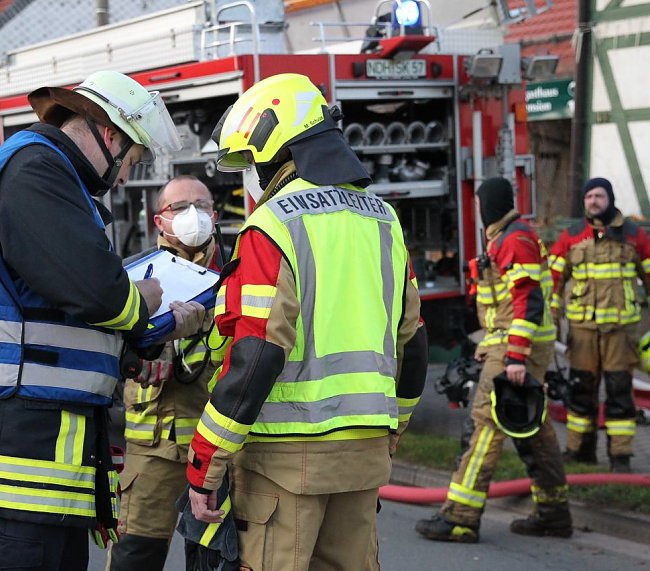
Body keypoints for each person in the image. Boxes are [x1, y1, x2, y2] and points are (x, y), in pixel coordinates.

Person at [0, 70, 199, 571]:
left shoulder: (43, 173)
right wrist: (148, 296)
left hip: (38, 457)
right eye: (132, 159)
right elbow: (99, 294)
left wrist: (143, 343)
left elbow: (59, 316)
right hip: (18, 458)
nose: (126, 175)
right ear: (109, 135)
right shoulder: (34, 172)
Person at [185, 73, 428, 571]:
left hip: (285, 463)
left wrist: (205, 458)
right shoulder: (384, 220)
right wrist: (393, 430)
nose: (250, 176)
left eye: (250, 160)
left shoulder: (272, 226)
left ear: (276, 148)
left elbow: (256, 355)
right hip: (364, 456)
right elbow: (414, 344)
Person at [416, 176, 572, 543]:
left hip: (515, 351)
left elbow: (527, 302)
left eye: (478, 203)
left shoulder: (514, 240)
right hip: (514, 346)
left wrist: (515, 357)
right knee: (535, 428)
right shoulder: (509, 237)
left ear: (489, 204)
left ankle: (460, 518)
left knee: (486, 425)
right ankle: (553, 513)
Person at [109, 175, 228, 570]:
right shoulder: (133, 278)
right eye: (180, 207)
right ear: (159, 220)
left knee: (215, 558)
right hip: (153, 451)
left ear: (215, 215)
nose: (193, 215)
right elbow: (113, 355)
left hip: (219, 451)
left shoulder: (236, 276)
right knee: (134, 558)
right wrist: (156, 342)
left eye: (202, 205)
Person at [549, 177, 649, 473]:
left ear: (610, 198)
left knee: (619, 393)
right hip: (582, 332)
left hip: (621, 332)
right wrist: (553, 320)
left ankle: (620, 458)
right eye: (589, 195)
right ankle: (580, 452)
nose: (593, 201)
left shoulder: (633, 235)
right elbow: (552, 281)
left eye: (599, 195)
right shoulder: (571, 237)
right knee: (581, 392)